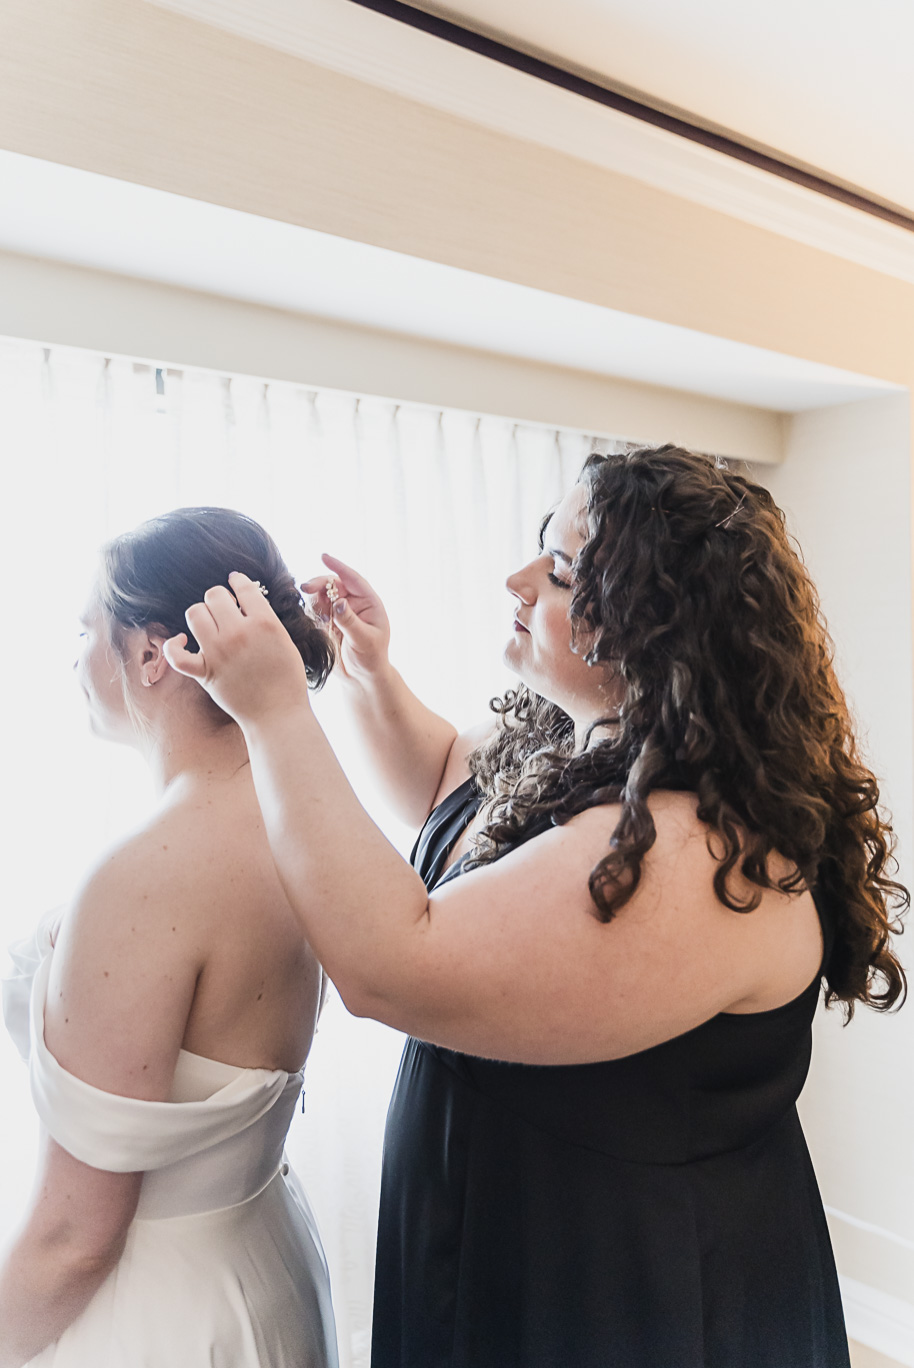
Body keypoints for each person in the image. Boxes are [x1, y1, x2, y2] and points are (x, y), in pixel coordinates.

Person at [164, 446, 907, 1368]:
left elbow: (394, 965)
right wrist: (366, 673)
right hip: (509, 1227)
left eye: (557, 572)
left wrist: (275, 714)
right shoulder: (570, 734)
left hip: (620, 1282)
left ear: (649, 626)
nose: (517, 580)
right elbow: (442, 786)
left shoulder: (701, 851)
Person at [0, 508, 339, 1368]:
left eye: (85, 629)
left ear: (153, 654)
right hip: (262, 1268)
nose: (73, 654)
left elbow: (75, 1237)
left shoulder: (146, 876)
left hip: (155, 1317)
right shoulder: (309, 823)